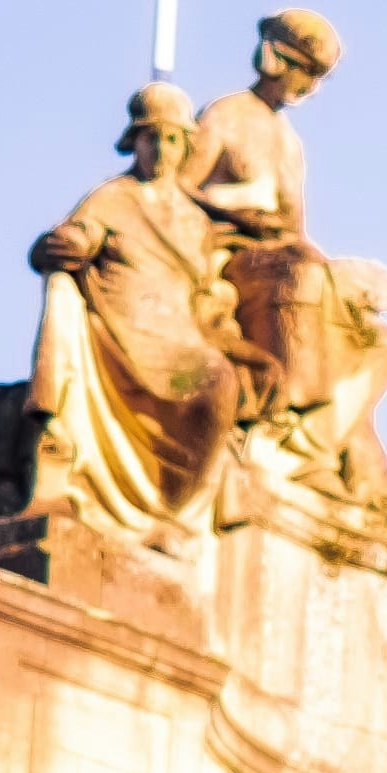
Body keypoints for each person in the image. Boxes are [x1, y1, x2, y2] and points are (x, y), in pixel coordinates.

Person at [181, 8, 387, 504]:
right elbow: (179, 190)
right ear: (277, 59)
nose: (311, 89)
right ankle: (283, 414)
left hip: (281, 256)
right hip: (230, 254)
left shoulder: (289, 142)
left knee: (383, 341)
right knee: (301, 276)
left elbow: (294, 227)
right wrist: (236, 211)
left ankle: (314, 447)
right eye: (308, 73)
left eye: (318, 78)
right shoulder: (226, 115)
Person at [28, 90, 249, 537]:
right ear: (135, 144)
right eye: (151, 139)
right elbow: (75, 238)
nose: (161, 150)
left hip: (181, 341)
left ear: (186, 146)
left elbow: (208, 291)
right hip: (118, 332)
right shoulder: (113, 197)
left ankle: (179, 511)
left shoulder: (196, 220)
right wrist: (60, 246)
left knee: (221, 383)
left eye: (171, 139)